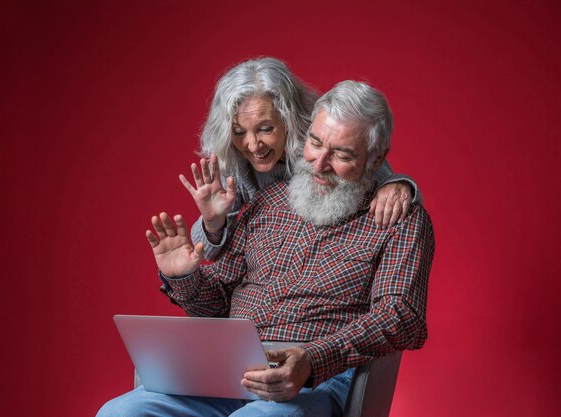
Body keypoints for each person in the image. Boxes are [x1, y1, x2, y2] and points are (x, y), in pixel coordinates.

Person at [97, 80, 435, 417]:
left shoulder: (400, 220)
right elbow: (216, 305)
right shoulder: (268, 201)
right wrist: (185, 276)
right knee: (119, 413)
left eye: (342, 154)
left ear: (376, 159)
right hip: (226, 377)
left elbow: (402, 317)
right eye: (315, 143)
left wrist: (313, 359)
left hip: (312, 384)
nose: (319, 164)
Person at [180, 57, 423, 260]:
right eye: (239, 132)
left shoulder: (321, 140)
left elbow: (383, 176)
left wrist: (400, 185)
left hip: (332, 259)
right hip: (278, 266)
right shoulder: (236, 163)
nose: (253, 145)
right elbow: (207, 253)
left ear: (290, 119)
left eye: (265, 129)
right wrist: (212, 223)